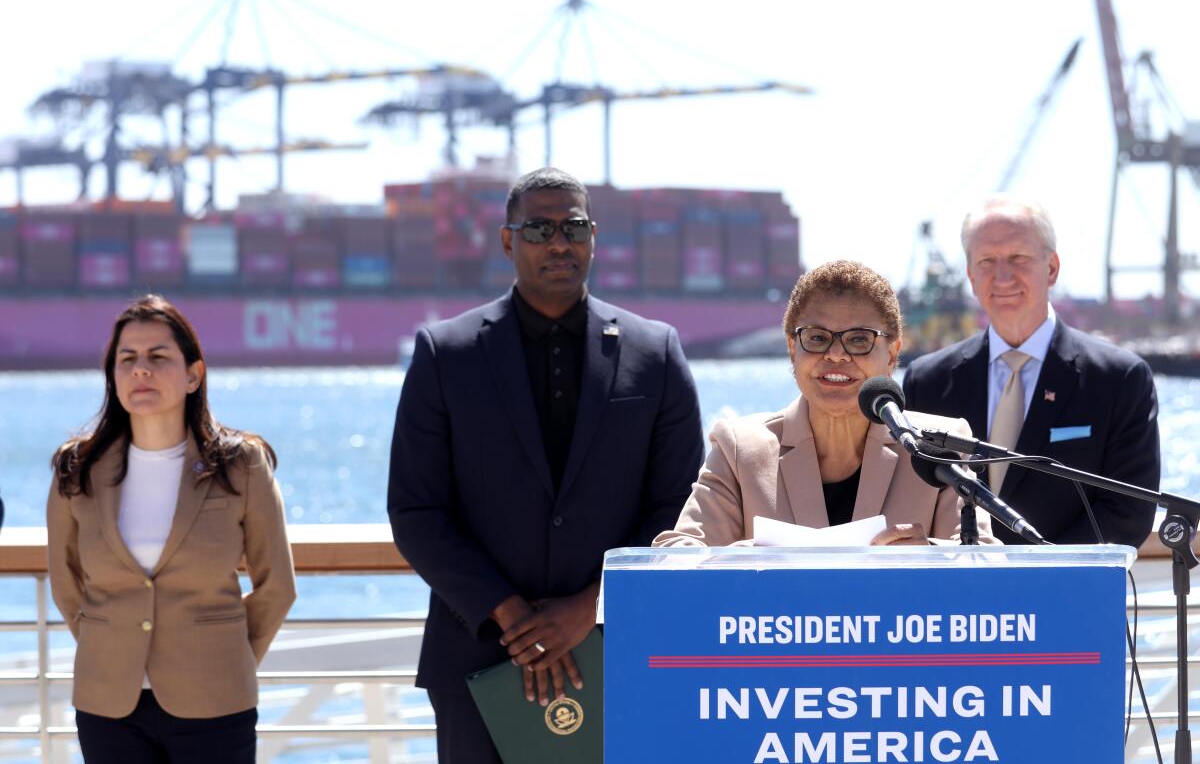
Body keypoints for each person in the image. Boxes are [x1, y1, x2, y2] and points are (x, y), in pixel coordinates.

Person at [387, 167, 704, 763]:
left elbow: (682, 512)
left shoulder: (655, 353)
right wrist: (512, 619)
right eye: (538, 228)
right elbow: (415, 510)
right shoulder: (445, 354)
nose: (558, 242)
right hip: (479, 660)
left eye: (573, 226)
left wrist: (590, 607)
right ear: (508, 241)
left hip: (620, 652)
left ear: (593, 237)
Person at [46, 295, 296, 763]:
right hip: (107, 705)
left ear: (193, 375)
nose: (141, 369)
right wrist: (116, 647)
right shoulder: (76, 469)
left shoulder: (241, 465)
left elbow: (277, 586)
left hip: (216, 699)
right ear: (113, 377)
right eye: (127, 359)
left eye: (158, 357)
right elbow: (67, 583)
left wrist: (228, 659)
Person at [654, 260, 996, 548]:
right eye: (816, 338)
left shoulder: (939, 448)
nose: (835, 354)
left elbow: (986, 562)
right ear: (792, 348)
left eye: (859, 340)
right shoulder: (738, 448)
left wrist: (929, 554)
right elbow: (678, 554)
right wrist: (751, 558)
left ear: (892, 353)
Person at [902, 196, 1159, 546]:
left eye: (1018, 258)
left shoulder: (1119, 380)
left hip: (1065, 592)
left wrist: (1034, 574)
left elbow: (1128, 512)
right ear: (970, 276)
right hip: (960, 593)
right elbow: (915, 502)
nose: (1003, 275)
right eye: (987, 261)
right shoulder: (927, 382)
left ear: (1051, 268)